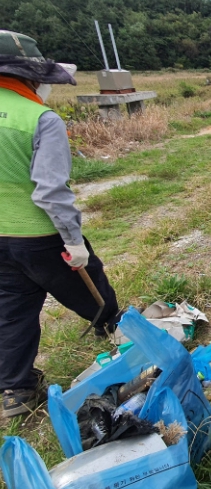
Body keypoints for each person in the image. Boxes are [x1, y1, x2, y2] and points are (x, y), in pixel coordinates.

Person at [0, 30, 121, 418]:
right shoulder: (39, 118)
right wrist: (73, 241)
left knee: (12, 311)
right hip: (38, 234)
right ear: (29, 76)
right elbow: (50, 190)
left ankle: (15, 390)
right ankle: (118, 332)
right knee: (93, 289)